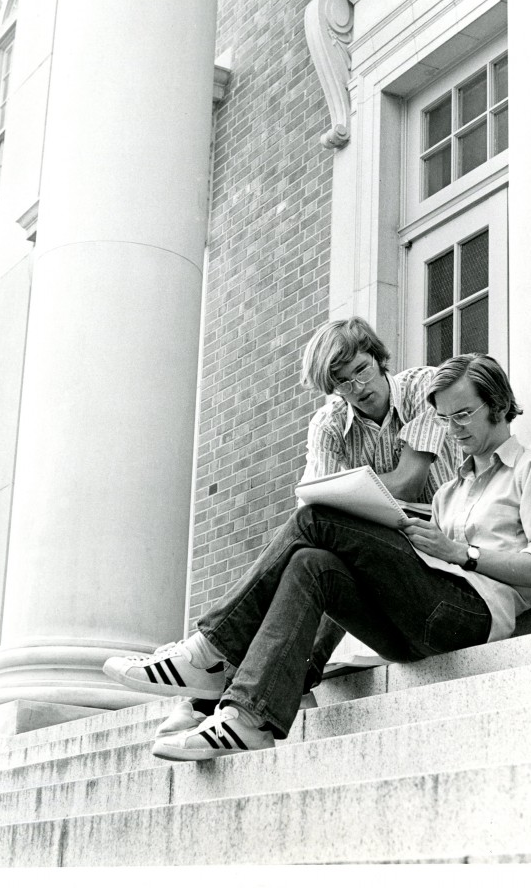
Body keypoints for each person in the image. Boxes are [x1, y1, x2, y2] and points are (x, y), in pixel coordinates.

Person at [104, 352, 531, 761]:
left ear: (498, 405)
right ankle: (248, 718)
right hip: (417, 624)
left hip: (471, 617)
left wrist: (462, 553)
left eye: (463, 415)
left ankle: (210, 652)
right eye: (444, 419)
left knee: (315, 518)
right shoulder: (450, 493)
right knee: (312, 564)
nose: (453, 430)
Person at [104, 316, 460, 739]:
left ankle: (208, 662)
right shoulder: (330, 425)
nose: (357, 388)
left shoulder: (425, 387)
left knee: (318, 532)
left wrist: (345, 510)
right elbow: (318, 505)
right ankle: (221, 683)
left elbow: (408, 482)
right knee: (312, 556)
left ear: (379, 357)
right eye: (341, 383)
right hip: (372, 558)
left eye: (361, 370)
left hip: (437, 554)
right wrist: (342, 514)